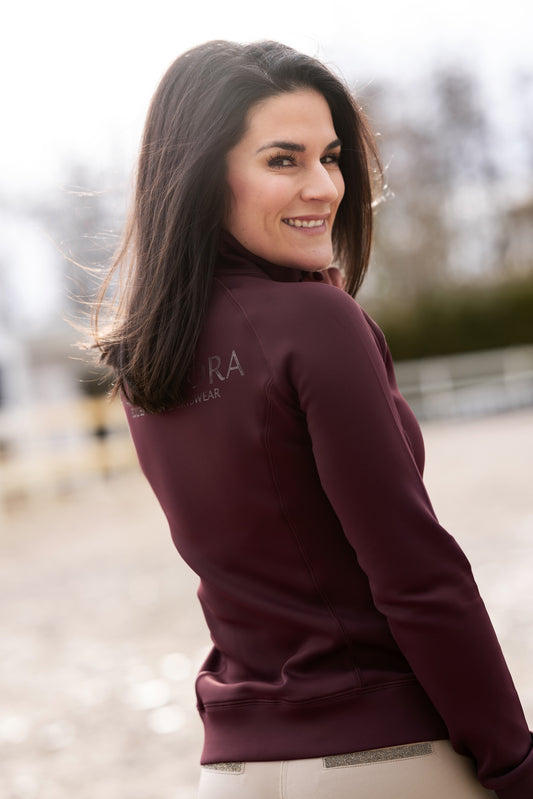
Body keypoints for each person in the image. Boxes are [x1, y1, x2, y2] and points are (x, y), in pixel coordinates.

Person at [92, 40, 533, 799]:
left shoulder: (146, 355)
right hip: (381, 758)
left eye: (330, 158)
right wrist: (514, 764)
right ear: (202, 176)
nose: (325, 186)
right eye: (283, 160)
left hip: (232, 771)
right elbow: (416, 576)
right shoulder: (316, 322)